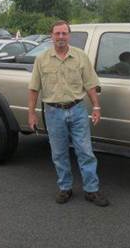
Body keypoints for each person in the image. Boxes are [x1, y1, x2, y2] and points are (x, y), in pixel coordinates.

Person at [27, 20, 109, 207]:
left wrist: (96, 107)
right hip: (53, 112)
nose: (61, 37)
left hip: (78, 109)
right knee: (59, 153)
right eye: (57, 33)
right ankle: (65, 188)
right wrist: (31, 114)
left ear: (69, 36)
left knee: (85, 151)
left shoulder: (80, 57)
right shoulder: (42, 60)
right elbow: (33, 89)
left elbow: (90, 84)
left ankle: (91, 190)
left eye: (64, 33)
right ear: (51, 36)